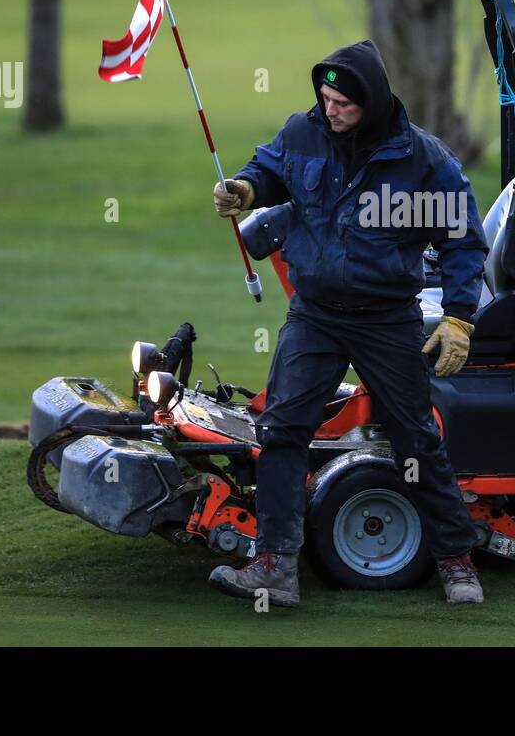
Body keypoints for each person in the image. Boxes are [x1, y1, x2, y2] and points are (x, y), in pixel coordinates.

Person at [207, 39, 489, 607]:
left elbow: (461, 239)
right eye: (325, 98)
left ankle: (457, 562)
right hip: (314, 314)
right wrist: (244, 187)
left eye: (342, 103)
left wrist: (459, 316)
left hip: (387, 319)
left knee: (416, 436)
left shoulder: (423, 160)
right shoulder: (304, 132)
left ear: (373, 103)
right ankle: (274, 567)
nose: (329, 110)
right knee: (282, 431)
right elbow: (269, 167)